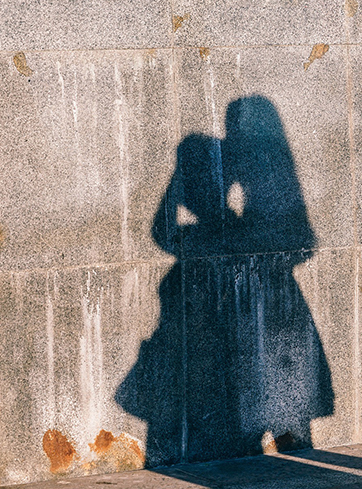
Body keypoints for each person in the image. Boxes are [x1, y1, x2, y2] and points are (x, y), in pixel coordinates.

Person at [116, 95, 333, 465]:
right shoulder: (232, 160)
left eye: (238, 123)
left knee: (276, 414)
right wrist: (212, 228)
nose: (233, 131)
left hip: (266, 300)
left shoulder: (265, 167)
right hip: (253, 298)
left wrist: (223, 233)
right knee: (258, 417)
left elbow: (299, 242)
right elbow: (163, 229)